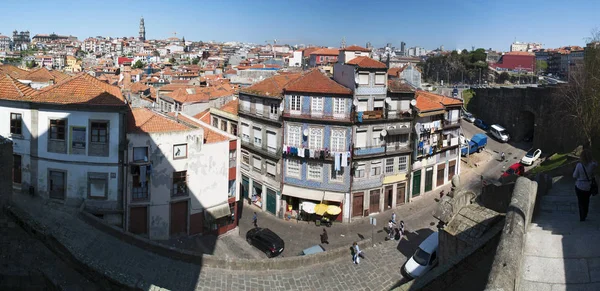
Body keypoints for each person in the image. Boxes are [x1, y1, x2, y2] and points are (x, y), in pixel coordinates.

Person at [573, 149, 598, 222]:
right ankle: (585, 213)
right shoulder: (592, 164)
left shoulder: (579, 165)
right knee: (586, 200)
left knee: (580, 201)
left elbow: (574, 175)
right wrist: (592, 159)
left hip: (579, 185)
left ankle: (582, 216)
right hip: (588, 185)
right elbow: (596, 163)